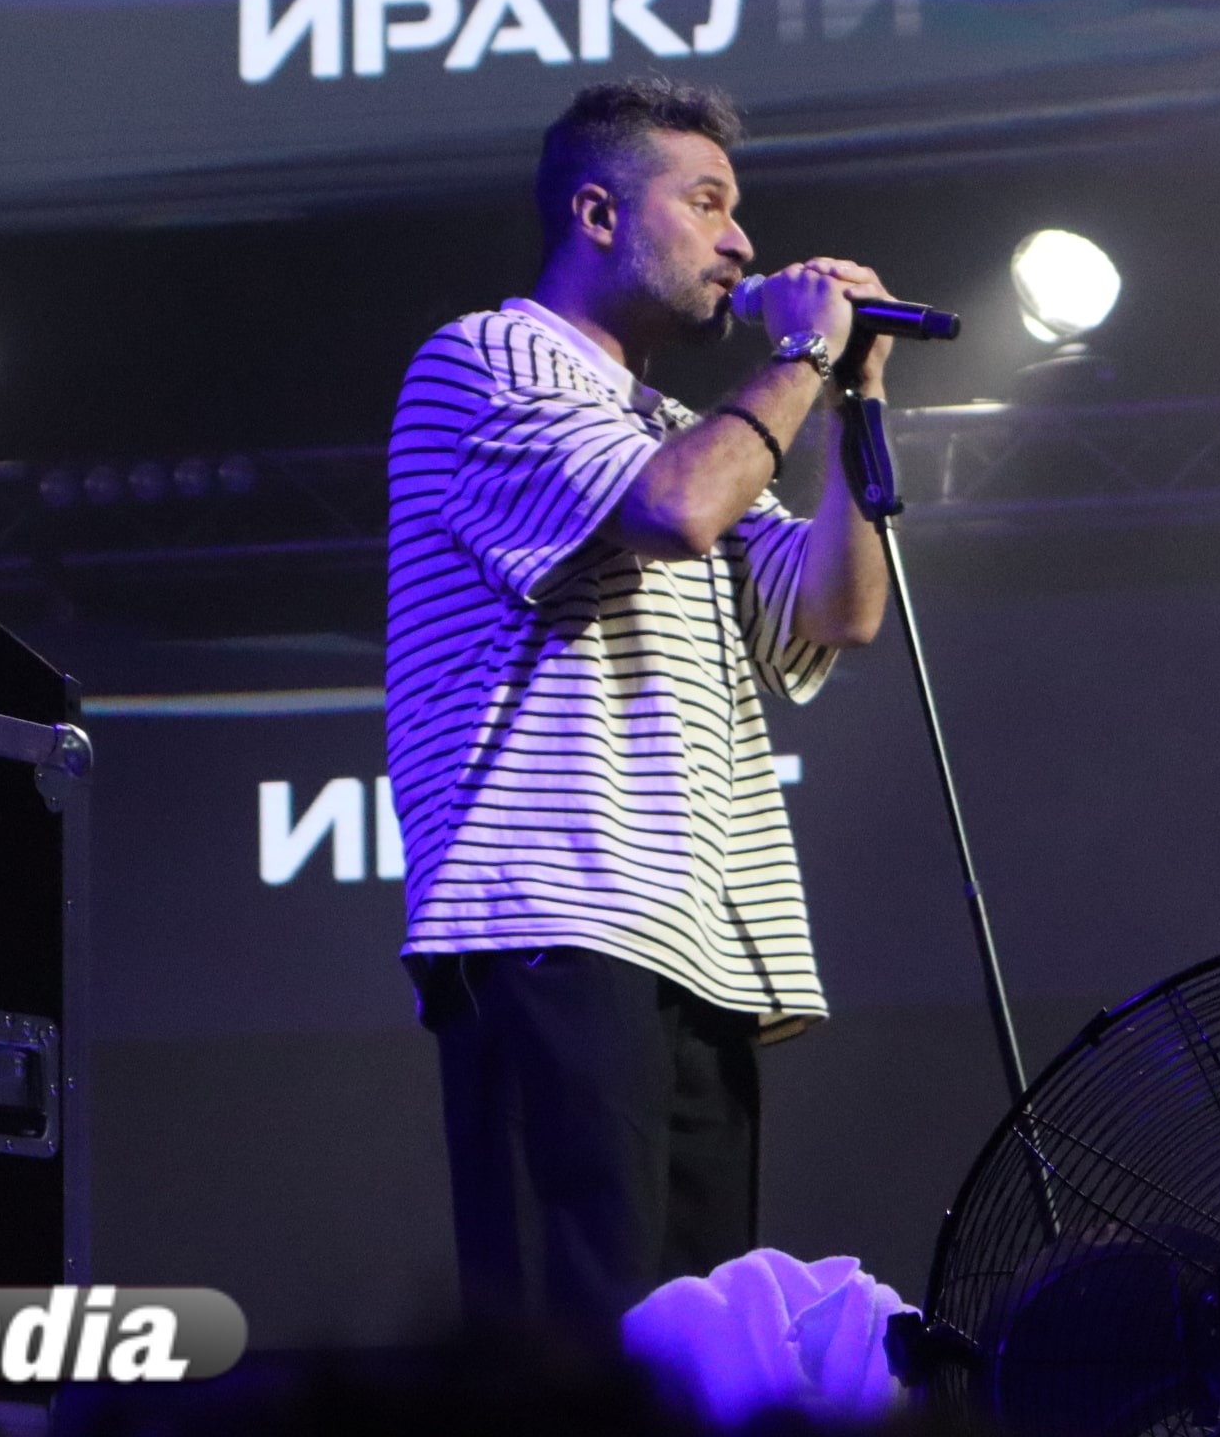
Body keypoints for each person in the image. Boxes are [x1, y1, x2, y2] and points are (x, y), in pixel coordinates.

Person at [384, 75, 897, 1333]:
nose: (742, 242)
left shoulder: (682, 423)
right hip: (551, 912)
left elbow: (836, 609)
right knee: (574, 1346)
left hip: (699, 941)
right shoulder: (490, 355)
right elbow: (672, 510)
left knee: (698, 1350)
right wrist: (797, 356)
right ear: (599, 213)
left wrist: (854, 400)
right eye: (707, 202)